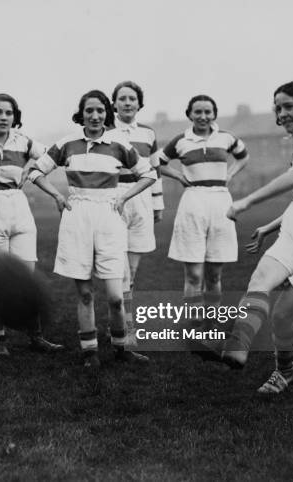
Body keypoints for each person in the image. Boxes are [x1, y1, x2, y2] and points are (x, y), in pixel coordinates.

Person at [199, 81, 293, 394]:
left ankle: (286, 370)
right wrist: (270, 226)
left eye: (287, 107)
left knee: (283, 316)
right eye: (277, 108)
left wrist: (247, 201)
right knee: (260, 279)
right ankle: (237, 346)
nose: (281, 114)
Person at [28, 90, 156, 368]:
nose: (95, 116)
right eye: (89, 111)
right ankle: (90, 353)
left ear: (106, 114)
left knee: (114, 296)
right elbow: (36, 172)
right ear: (81, 114)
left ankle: (122, 349)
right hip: (77, 218)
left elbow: (148, 174)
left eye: (100, 111)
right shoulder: (67, 143)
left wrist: (123, 196)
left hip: (109, 217)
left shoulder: (120, 143)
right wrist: (59, 196)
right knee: (85, 293)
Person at [0, 93, 63, 356]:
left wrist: (31, 167)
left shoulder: (23, 140)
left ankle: (36, 337)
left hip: (18, 207)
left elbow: (46, 156)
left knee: (25, 276)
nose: (4, 117)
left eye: (9, 113)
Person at [159, 95, 248, 327]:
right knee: (194, 275)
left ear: (214, 114)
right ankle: (194, 323)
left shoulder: (226, 137)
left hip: (221, 202)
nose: (203, 117)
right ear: (189, 114)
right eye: (197, 112)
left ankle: (211, 322)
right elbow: (157, 162)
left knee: (214, 275)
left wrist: (229, 174)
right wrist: (178, 175)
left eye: (208, 112)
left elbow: (243, 157)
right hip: (193, 202)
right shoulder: (181, 140)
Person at [109, 81, 163, 345]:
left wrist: (157, 204)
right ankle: (124, 328)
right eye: (122, 98)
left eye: (132, 98)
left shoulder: (148, 133)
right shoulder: (106, 131)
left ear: (139, 104)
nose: (127, 103)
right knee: (119, 270)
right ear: (114, 103)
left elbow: (155, 170)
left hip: (141, 198)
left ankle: (125, 324)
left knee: (132, 268)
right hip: (114, 196)